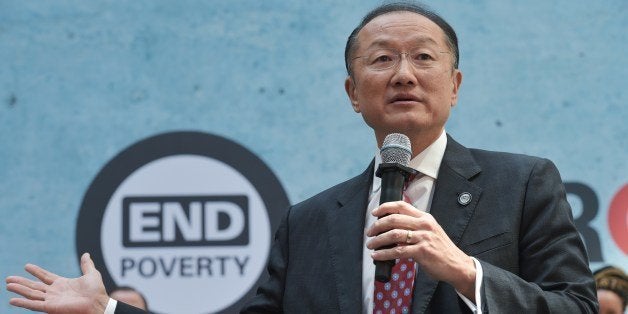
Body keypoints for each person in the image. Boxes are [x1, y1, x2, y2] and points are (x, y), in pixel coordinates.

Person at [5, 2, 598, 313]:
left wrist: (463, 271)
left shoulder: (522, 183)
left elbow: (576, 309)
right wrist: (110, 309)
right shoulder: (311, 221)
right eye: (381, 60)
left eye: (422, 58)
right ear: (351, 93)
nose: (403, 75)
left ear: (456, 84)